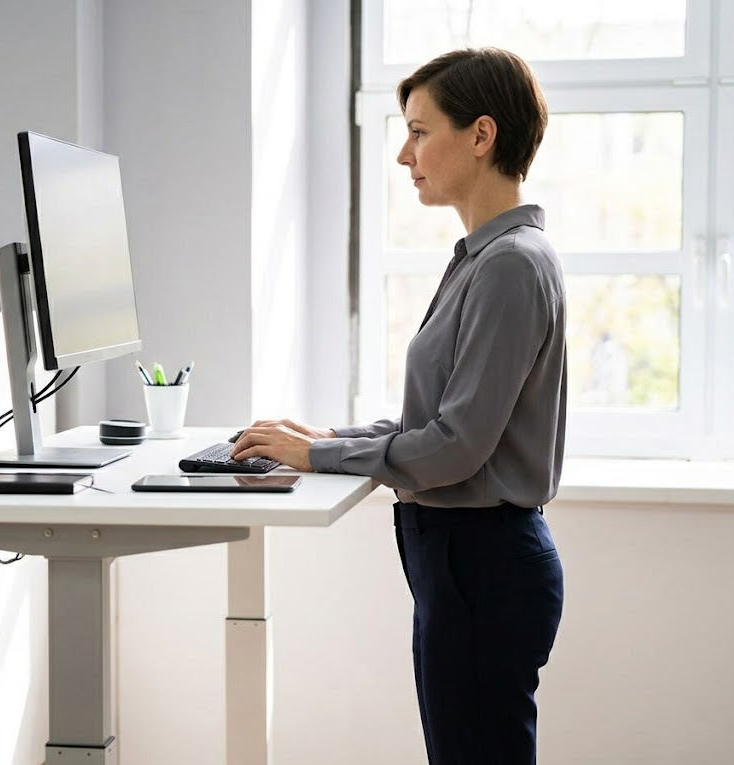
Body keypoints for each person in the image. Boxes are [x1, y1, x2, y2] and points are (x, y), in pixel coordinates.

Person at [231, 47, 566, 765]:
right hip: (463, 561)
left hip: (481, 562)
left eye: (419, 131)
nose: (402, 153)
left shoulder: (509, 264)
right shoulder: (484, 257)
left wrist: (318, 454)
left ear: (481, 136)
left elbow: (455, 446)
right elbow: (439, 419)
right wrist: (324, 436)